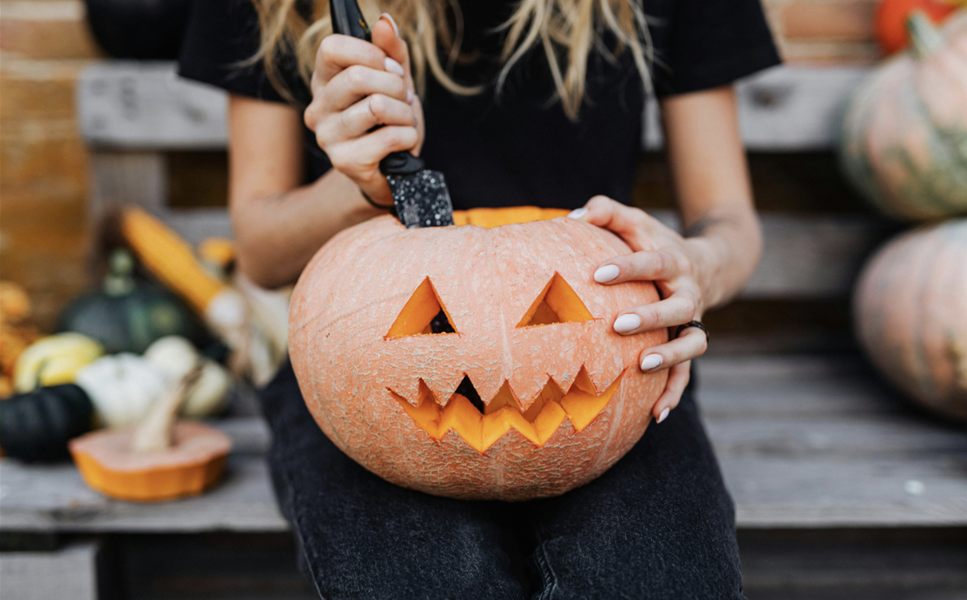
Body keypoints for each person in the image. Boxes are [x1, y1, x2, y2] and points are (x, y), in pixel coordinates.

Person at [180, 0, 779, 597]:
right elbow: (260, 251)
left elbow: (728, 220)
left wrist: (698, 265)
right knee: (424, 584)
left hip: (610, 355)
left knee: (656, 583)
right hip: (364, 363)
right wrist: (359, 183)